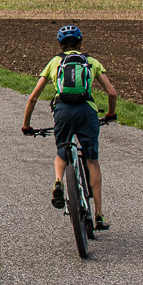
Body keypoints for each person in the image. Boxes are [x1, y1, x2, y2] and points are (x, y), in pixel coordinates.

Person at [21, 24, 118, 230]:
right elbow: (112, 93)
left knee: (61, 151)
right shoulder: (91, 62)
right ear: (80, 42)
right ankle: (99, 215)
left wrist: (26, 125)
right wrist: (110, 114)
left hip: (63, 111)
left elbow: (33, 98)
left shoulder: (55, 62)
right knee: (92, 160)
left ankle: (58, 181)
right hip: (87, 111)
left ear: (60, 44)